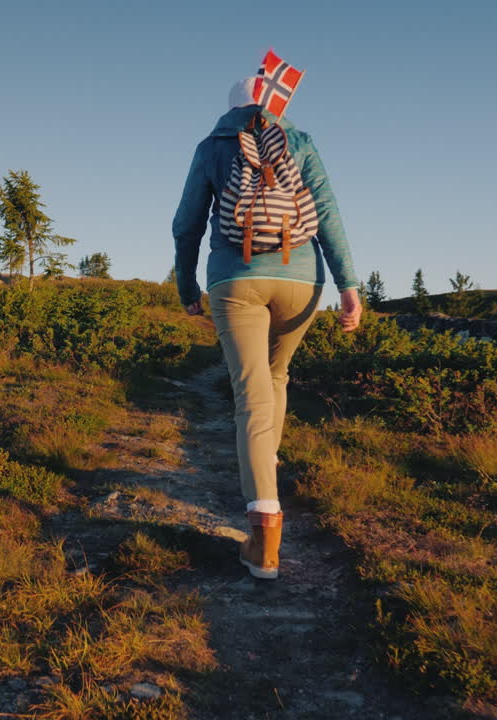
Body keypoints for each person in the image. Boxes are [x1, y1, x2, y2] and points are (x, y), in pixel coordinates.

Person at [172, 78, 362, 580]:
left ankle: (264, 540)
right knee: (277, 378)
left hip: (236, 278)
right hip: (302, 280)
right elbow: (328, 215)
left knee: (251, 393)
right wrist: (348, 285)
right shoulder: (300, 141)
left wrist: (187, 285)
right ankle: (266, 461)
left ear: (230, 108)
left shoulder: (212, 146)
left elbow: (187, 223)